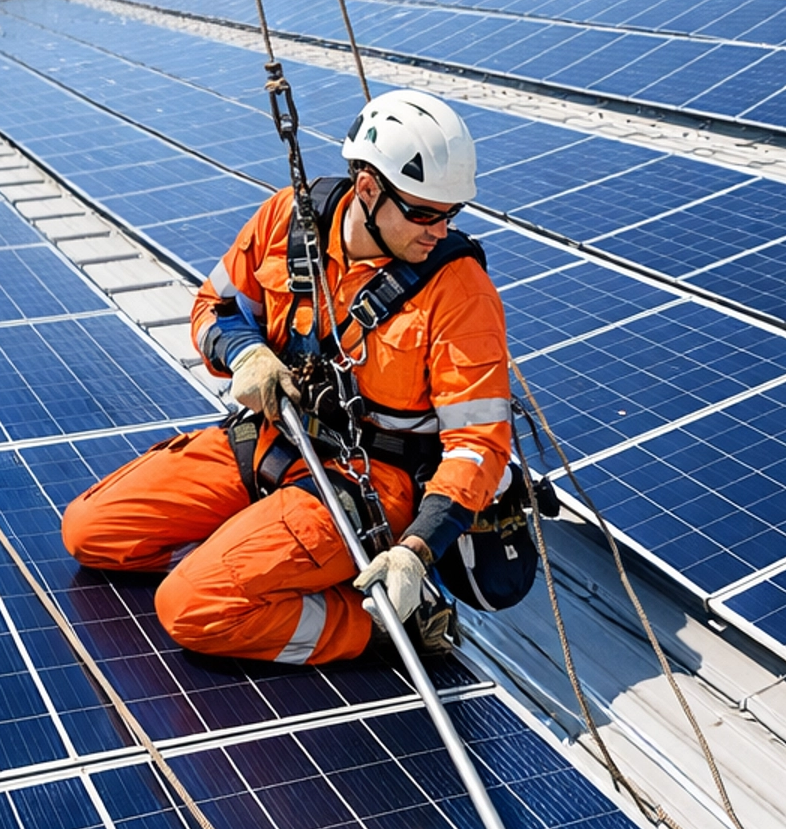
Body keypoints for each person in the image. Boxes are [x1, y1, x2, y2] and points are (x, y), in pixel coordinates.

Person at [62, 91, 512, 668]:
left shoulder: (459, 290)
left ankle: (386, 625)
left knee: (194, 606)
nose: (439, 228)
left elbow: (479, 445)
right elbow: (213, 307)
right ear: (368, 190)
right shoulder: (287, 220)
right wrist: (246, 354)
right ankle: (257, 550)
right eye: (424, 212)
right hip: (274, 439)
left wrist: (415, 553)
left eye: (451, 213)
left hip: (369, 481)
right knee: (92, 532)